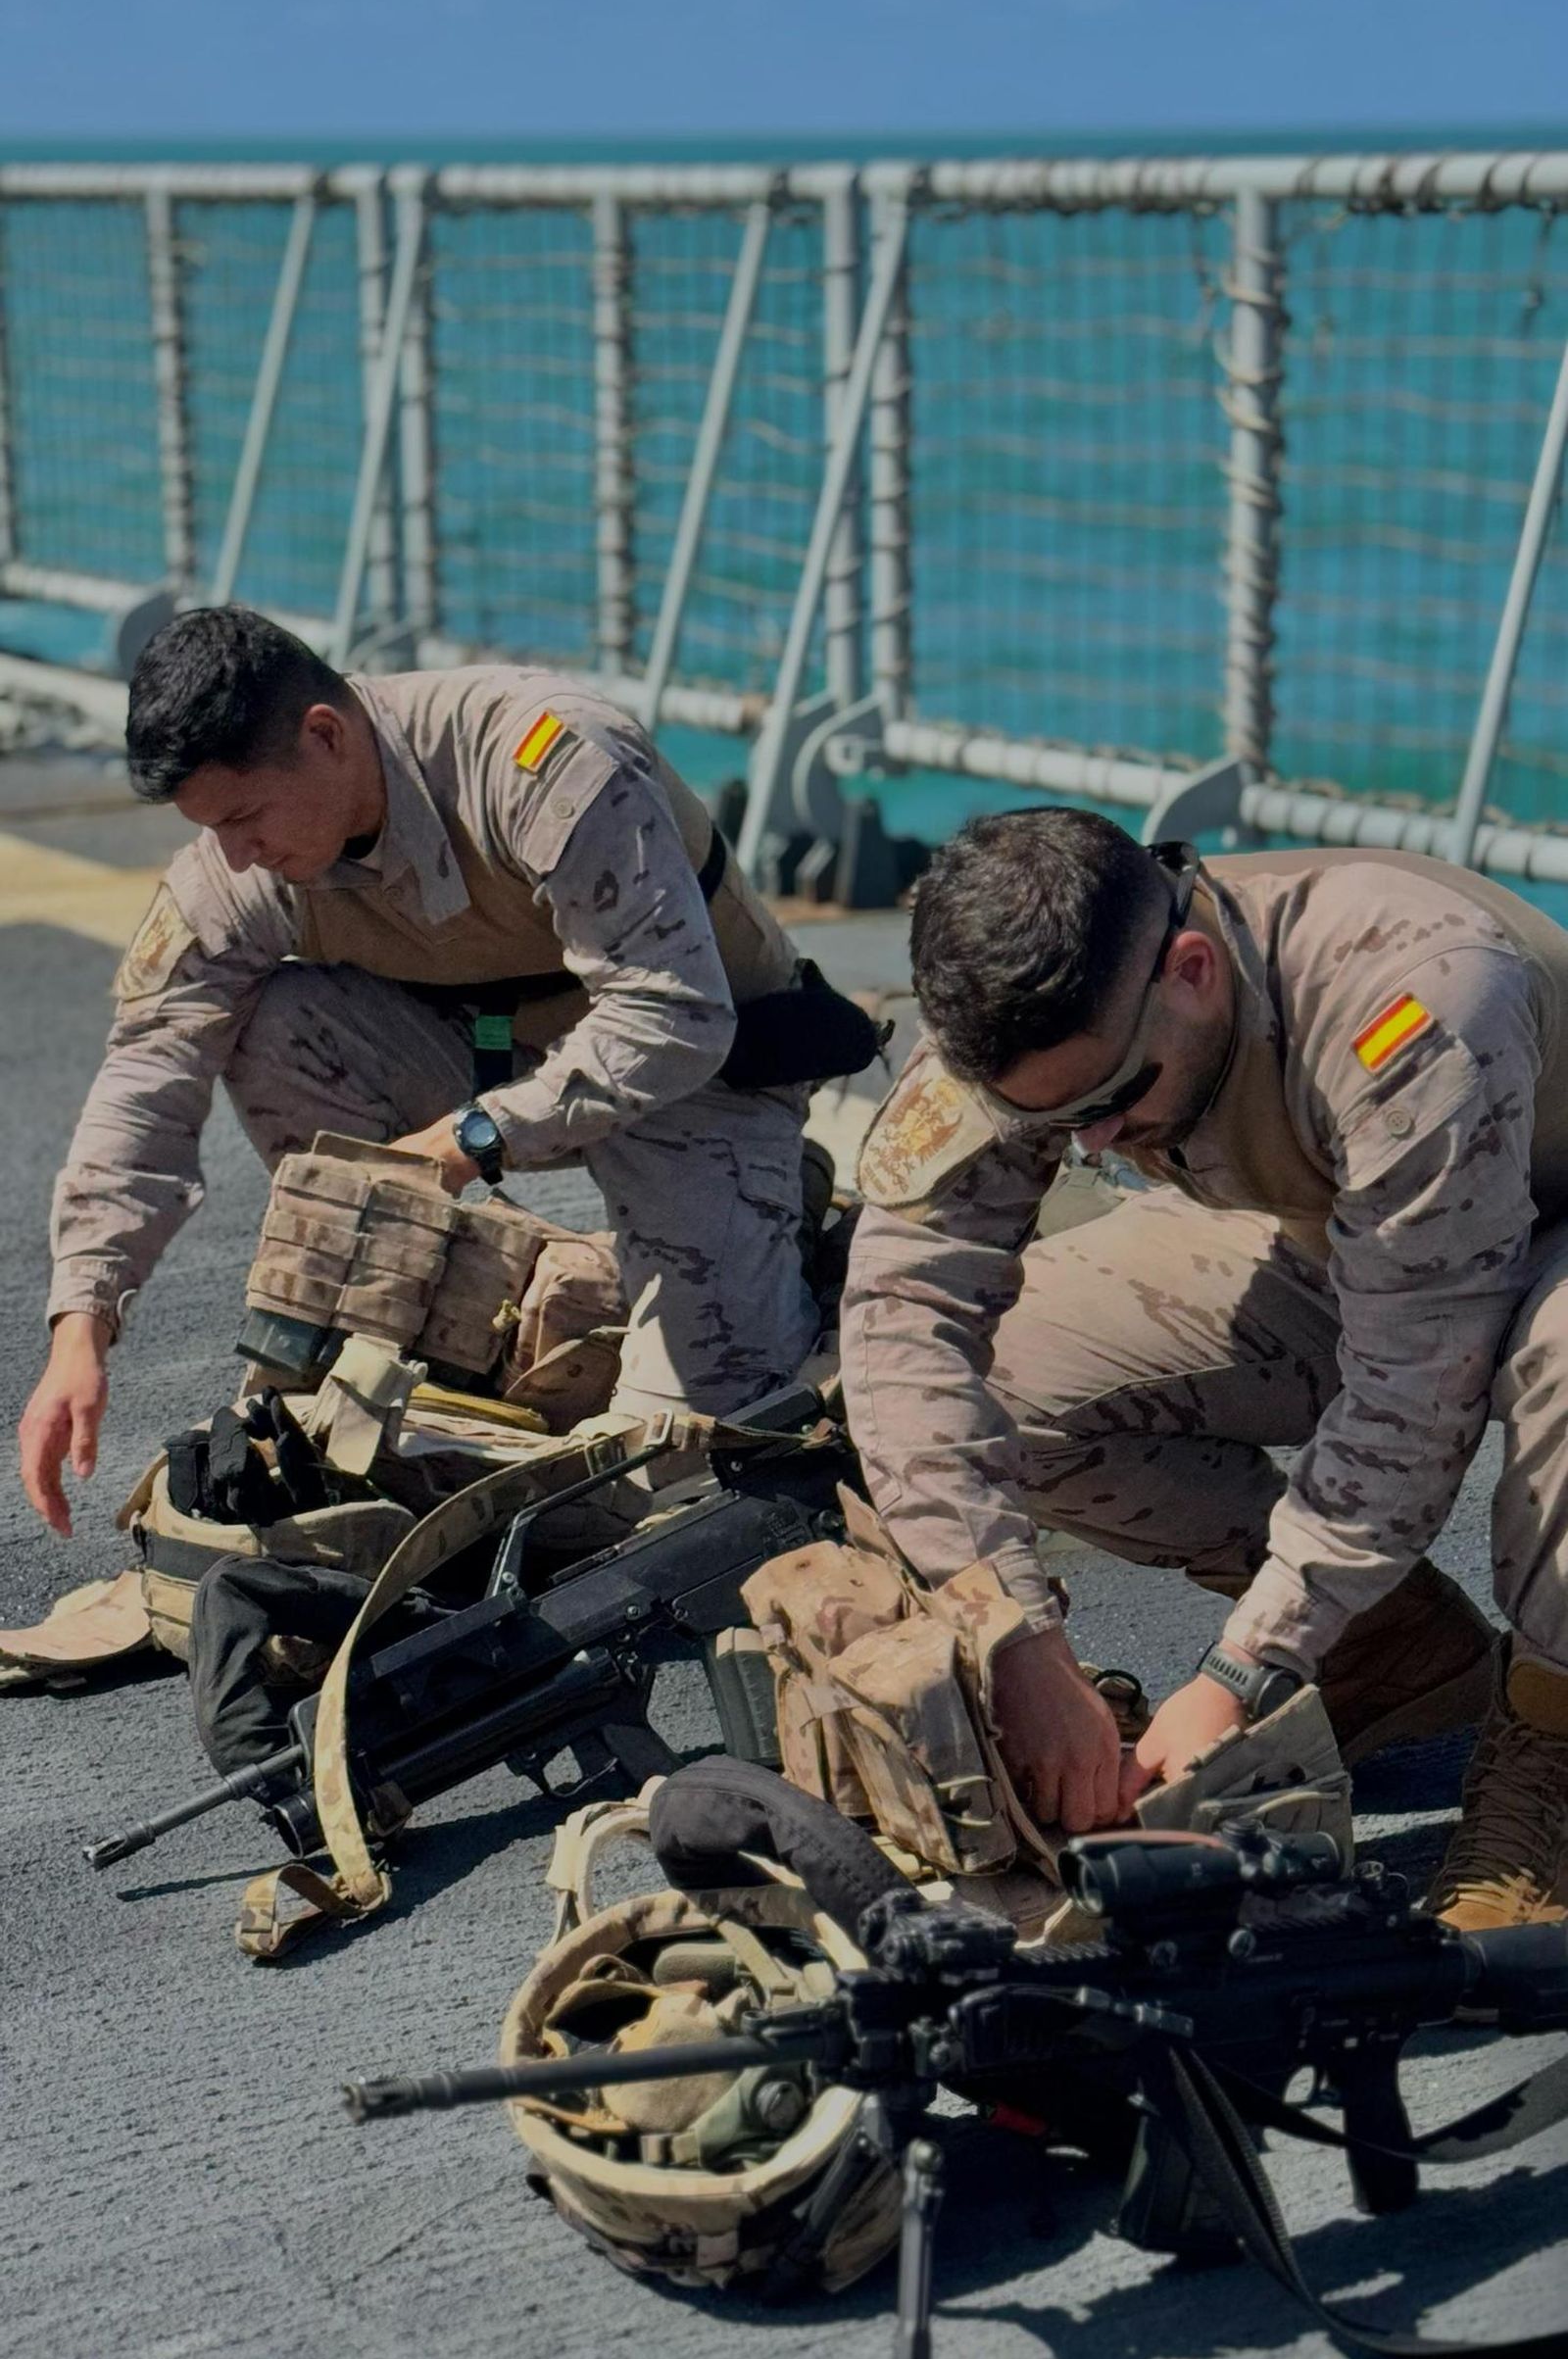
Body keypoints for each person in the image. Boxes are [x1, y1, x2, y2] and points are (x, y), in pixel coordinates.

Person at [840, 806, 1568, 1932]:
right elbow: (904, 1310)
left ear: (1192, 970)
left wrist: (1241, 1669)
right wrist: (1010, 1632)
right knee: (1016, 1386)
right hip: (1354, 1229)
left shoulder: (1415, 1002)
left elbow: (1413, 1397)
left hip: (1530, 1222)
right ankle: (1390, 1650)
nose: (1089, 1145)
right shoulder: (1035, 1000)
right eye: (1055, 1120)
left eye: (1108, 1103)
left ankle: (1550, 1741)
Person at [21, 607, 827, 1536]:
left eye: (244, 817)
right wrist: (81, 1325)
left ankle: (770, 1233)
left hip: (699, 1076)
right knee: (274, 1024)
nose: (237, 856)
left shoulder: (544, 759)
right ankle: (458, 1309)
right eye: (213, 829)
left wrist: (469, 1139)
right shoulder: (238, 866)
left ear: (325, 735)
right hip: (494, 1055)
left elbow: (676, 1014)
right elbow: (147, 1072)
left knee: (679, 1470)